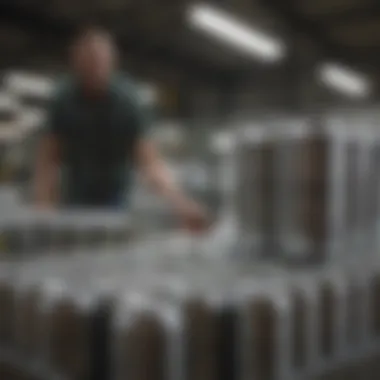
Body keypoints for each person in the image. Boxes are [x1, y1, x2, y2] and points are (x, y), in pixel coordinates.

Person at [34, 26, 209, 232]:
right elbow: (48, 161)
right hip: (74, 198)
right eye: (87, 63)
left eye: (99, 62)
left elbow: (150, 164)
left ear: (111, 63)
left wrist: (181, 204)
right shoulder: (63, 100)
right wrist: (43, 210)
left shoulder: (128, 102)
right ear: (75, 64)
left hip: (114, 200)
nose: (94, 70)